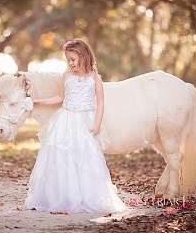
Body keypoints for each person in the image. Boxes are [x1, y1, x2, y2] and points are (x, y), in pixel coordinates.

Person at [25, 39, 126, 214]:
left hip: (85, 121)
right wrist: (40, 101)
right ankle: (59, 197)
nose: (70, 64)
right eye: (68, 60)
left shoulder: (95, 78)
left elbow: (100, 103)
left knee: (85, 159)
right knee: (61, 159)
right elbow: (60, 98)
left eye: (73, 59)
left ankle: (85, 196)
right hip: (66, 120)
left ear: (84, 56)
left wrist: (97, 124)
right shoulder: (66, 76)